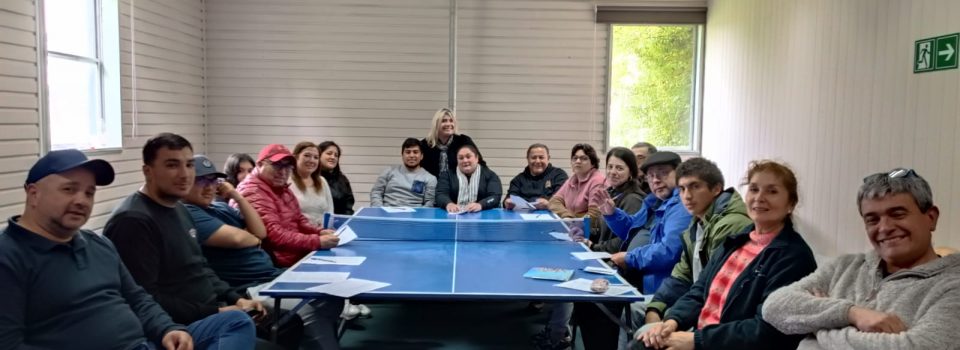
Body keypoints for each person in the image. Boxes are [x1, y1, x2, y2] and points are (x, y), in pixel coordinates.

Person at [0, 149, 255, 350]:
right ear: (33, 194)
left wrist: (167, 329)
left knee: (234, 322)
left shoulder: (96, 244)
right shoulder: (10, 256)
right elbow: (9, 344)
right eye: (69, 189)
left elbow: (138, 299)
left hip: (148, 343)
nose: (81, 200)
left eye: (89, 193)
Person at [102, 133, 278, 347]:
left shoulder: (180, 209)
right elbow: (145, 298)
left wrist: (235, 298)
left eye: (188, 165)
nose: (185, 174)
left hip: (212, 310)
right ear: (148, 171)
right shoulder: (133, 221)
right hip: (177, 329)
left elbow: (201, 267)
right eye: (172, 165)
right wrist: (217, 312)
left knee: (285, 323)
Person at [762, 168, 960, 350]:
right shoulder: (845, 266)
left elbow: (916, 347)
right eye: (872, 219)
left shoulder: (952, 285)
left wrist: (819, 326)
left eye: (898, 214)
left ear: (931, 218)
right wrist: (852, 314)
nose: (884, 228)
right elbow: (774, 307)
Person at [637, 160, 817, 350]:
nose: (759, 198)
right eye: (754, 189)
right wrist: (672, 322)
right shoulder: (736, 241)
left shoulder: (794, 257)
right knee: (644, 342)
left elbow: (768, 330)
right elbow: (699, 291)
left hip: (724, 344)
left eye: (772, 191)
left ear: (791, 204)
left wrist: (694, 340)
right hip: (705, 338)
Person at [183, 155, 346, 350]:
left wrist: (237, 196)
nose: (209, 186)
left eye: (212, 180)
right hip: (250, 286)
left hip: (271, 275)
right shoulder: (189, 213)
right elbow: (243, 238)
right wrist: (252, 238)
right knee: (313, 305)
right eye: (200, 180)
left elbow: (260, 232)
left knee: (332, 294)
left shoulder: (219, 208)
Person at [643, 158, 752, 328]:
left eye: (695, 187)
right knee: (636, 309)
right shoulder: (696, 224)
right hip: (694, 301)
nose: (687, 196)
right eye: (682, 189)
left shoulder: (729, 226)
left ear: (716, 189)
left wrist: (672, 319)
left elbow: (713, 290)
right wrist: (655, 308)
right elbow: (681, 275)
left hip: (717, 315)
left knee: (645, 331)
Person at [570, 147, 646, 350]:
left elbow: (625, 241)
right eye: (610, 167)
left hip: (620, 269)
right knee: (583, 308)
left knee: (593, 315)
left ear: (631, 171)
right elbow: (605, 230)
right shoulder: (611, 193)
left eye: (619, 168)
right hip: (603, 262)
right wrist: (586, 235)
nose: (613, 172)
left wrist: (594, 246)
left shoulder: (633, 199)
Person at [596, 151, 690, 293]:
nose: (655, 180)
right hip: (642, 278)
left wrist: (629, 258)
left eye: (663, 173)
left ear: (679, 175)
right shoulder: (653, 201)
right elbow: (631, 229)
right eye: (651, 176)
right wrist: (612, 214)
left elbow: (668, 251)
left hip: (663, 291)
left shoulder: (682, 206)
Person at [236, 143, 340, 267]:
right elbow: (274, 236)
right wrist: (317, 241)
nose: (283, 172)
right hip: (275, 263)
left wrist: (319, 232)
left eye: (288, 167)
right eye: (277, 165)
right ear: (260, 164)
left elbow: (298, 219)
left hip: (295, 255)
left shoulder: (280, 187)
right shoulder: (252, 191)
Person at [548, 143, 606, 237]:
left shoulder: (598, 181)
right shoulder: (573, 179)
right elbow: (554, 201)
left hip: (588, 233)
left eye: (584, 158)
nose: (578, 161)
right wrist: (567, 216)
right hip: (572, 229)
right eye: (575, 158)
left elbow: (594, 214)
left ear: (593, 163)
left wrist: (577, 225)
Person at [369, 137, 437, 207]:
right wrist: (379, 210)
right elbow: (376, 192)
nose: (411, 155)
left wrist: (419, 216)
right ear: (402, 155)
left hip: (414, 215)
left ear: (421, 156)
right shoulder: (388, 172)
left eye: (415, 152)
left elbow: (430, 203)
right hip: (387, 214)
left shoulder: (430, 179)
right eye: (408, 152)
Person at [419, 107, 484, 178]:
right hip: (432, 187)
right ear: (436, 124)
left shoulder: (464, 141)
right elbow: (418, 169)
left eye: (451, 121)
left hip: (459, 186)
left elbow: (480, 164)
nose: (448, 124)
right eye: (444, 121)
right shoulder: (425, 145)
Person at [436, 144, 502, 213]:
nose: (465, 160)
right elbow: (441, 194)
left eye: (468, 157)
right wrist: (448, 204)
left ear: (477, 158)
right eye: (461, 158)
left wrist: (480, 205)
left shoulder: (490, 175)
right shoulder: (447, 175)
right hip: (454, 215)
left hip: (482, 215)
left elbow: (495, 196)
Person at [503, 143, 568, 210]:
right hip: (523, 218)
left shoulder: (559, 175)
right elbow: (509, 199)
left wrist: (548, 203)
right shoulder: (518, 180)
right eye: (533, 158)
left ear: (548, 158)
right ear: (527, 159)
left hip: (551, 217)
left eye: (541, 157)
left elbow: (563, 200)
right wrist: (507, 203)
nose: (537, 161)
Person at [289, 141, 335, 226]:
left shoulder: (322, 181)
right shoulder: (287, 182)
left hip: (323, 234)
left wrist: (327, 229)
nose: (312, 160)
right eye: (307, 156)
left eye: (316, 157)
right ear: (296, 157)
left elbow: (330, 211)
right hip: (299, 235)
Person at [318, 141, 355, 215]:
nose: (333, 157)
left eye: (336, 155)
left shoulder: (342, 179)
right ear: (319, 155)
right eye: (329, 153)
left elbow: (349, 204)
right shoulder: (311, 177)